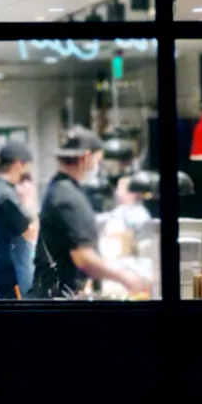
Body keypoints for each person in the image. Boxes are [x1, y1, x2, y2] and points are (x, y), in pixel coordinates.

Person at [31, 127, 151, 298]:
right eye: (98, 160)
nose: (98, 166)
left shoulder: (59, 187)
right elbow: (83, 257)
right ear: (87, 158)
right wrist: (127, 277)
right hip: (61, 299)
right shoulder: (68, 196)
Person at [0, 141, 39, 299]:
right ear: (18, 164)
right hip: (12, 276)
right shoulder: (6, 195)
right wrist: (29, 201)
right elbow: (31, 232)